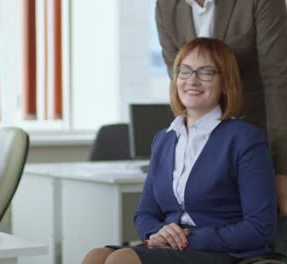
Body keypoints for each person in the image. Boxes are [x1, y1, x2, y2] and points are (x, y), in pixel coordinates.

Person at [155, 1, 287, 263]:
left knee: (270, 244)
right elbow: (177, 73)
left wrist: (282, 170)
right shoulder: (167, 5)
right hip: (216, 139)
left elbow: (278, 78)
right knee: (220, 244)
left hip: (275, 130)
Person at [82, 38, 277, 264]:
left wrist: (186, 239)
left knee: (121, 260)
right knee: (96, 257)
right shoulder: (164, 139)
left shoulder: (244, 139)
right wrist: (159, 233)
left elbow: (259, 228)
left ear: (225, 82)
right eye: (184, 71)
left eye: (205, 72)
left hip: (220, 250)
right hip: (173, 247)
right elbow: (144, 214)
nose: (191, 80)